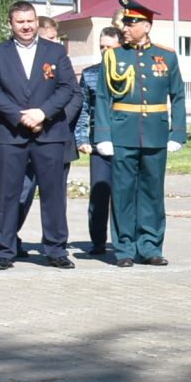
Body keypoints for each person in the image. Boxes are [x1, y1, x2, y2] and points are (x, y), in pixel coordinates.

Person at [0, 1, 79, 270]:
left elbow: (66, 88)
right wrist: (20, 116)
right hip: (10, 134)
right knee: (8, 194)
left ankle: (55, 249)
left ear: (36, 21)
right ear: (10, 24)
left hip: (49, 132)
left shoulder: (56, 51)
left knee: (53, 193)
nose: (26, 26)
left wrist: (42, 113)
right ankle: (4, 251)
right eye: (20, 21)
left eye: (30, 20)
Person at [96, 0, 186, 267]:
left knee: (152, 193)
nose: (125, 27)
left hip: (156, 135)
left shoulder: (166, 56)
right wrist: (103, 135)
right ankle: (124, 248)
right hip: (123, 134)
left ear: (146, 26)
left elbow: (178, 96)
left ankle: (150, 246)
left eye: (132, 23)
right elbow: (102, 96)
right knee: (122, 193)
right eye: (125, 22)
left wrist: (177, 133)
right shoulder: (113, 56)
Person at [73, 26, 120, 255]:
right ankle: (98, 242)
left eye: (109, 47)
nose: (105, 51)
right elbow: (83, 109)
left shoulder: (129, 73)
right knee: (99, 194)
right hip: (98, 143)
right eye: (101, 47)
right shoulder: (90, 74)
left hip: (126, 143)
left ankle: (123, 242)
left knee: (124, 195)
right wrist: (81, 138)